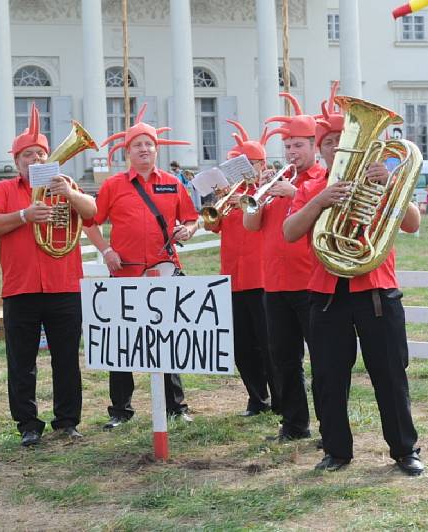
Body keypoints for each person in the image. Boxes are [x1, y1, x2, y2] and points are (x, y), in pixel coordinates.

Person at [282, 88, 425, 477]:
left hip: (377, 290)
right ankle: (336, 450)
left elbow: (412, 223)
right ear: (322, 149)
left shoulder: (381, 180)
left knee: (390, 375)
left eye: (343, 140)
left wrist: (395, 182)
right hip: (326, 295)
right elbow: (290, 232)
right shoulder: (311, 186)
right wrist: (320, 202)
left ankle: (404, 450)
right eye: (330, 143)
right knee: (328, 378)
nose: (337, 148)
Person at [0, 103, 96, 447]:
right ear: (16, 162)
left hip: (63, 285)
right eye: (27, 155)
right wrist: (24, 215)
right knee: (21, 362)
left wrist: (71, 193)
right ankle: (28, 424)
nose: (34, 160)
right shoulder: (3, 190)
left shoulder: (67, 184)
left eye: (40, 154)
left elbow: (92, 215)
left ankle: (67, 420)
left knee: (66, 360)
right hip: (22, 287)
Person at [85, 103, 198, 430]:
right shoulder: (113, 186)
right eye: (138, 145)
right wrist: (106, 250)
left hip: (165, 271)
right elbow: (91, 223)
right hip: (125, 274)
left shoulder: (173, 183)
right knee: (122, 342)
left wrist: (187, 231)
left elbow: (191, 218)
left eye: (149, 144)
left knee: (168, 340)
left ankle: (176, 407)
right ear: (127, 152)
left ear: (156, 149)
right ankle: (120, 410)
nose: (145, 149)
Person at [243, 92, 327, 442]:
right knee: (283, 359)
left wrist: (295, 193)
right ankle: (294, 424)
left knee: (323, 361)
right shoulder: (273, 182)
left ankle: (331, 426)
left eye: (298, 146)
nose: (292, 153)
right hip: (274, 284)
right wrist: (255, 197)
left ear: (313, 147)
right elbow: (251, 226)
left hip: (310, 282)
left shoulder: (322, 180)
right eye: (288, 146)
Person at [203, 121, 278, 417]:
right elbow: (211, 225)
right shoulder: (227, 194)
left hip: (261, 278)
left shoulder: (268, 189)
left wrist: (246, 201)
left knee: (269, 343)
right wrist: (215, 200)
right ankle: (256, 397)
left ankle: (282, 398)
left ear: (259, 164)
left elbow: (265, 219)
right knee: (242, 345)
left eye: (243, 164)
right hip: (232, 279)